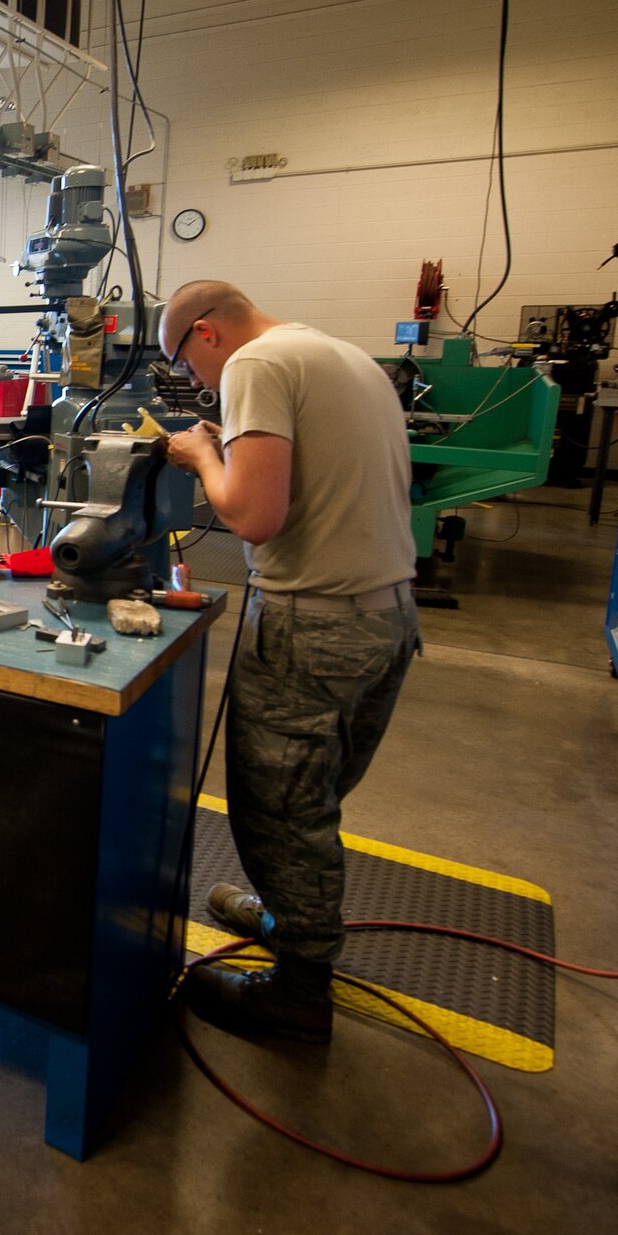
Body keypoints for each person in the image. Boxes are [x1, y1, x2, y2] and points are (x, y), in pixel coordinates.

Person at [159, 280, 421, 1044]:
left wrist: (202, 454)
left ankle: (300, 994)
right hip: (387, 617)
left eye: (188, 365)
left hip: (314, 624)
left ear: (206, 333)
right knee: (314, 797)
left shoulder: (256, 367)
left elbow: (253, 516)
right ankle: (289, 920)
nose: (200, 383)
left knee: (278, 809)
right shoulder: (344, 355)